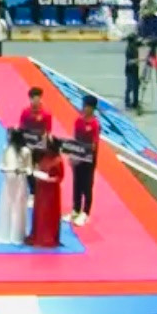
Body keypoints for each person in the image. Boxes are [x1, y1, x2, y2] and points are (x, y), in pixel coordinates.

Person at [0, 128, 30, 245]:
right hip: (8, 181)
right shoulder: (6, 148)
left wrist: (21, 170)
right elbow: (1, 164)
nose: (7, 137)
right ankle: (6, 231)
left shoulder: (26, 151)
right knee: (7, 204)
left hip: (20, 181)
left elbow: (29, 169)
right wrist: (7, 169)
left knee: (18, 206)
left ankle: (17, 233)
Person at [66, 94, 101, 226]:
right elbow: (75, 139)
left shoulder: (95, 124)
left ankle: (85, 212)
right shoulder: (78, 121)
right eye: (83, 106)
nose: (84, 108)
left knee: (87, 185)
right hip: (78, 156)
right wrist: (72, 155)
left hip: (89, 159)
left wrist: (84, 154)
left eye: (86, 106)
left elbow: (94, 145)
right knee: (77, 184)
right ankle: (75, 209)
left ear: (92, 108)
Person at [26, 140, 65, 247]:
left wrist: (48, 179)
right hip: (41, 190)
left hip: (51, 193)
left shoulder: (58, 160)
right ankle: (37, 234)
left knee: (48, 214)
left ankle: (47, 237)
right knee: (39, 212)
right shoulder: (43, 156)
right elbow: (39, 167)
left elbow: (60, 177)